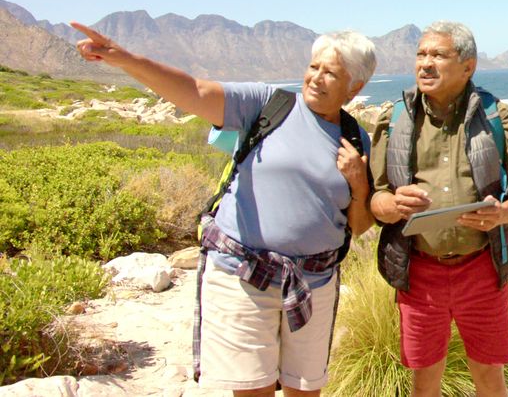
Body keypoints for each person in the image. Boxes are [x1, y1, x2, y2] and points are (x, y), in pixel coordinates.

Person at [71, 21, 376, 397]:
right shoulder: (268, 104)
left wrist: (360, 184)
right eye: (314, 66)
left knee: (305, 392)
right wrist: (127, 61)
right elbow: (195, 91)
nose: (316, 78)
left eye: (331, 73)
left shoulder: (355, 138)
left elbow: (360, 225)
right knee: (252, 390)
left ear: (356, 87)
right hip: (243, 277)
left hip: (314, 284)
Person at [369, 21, 508, 397]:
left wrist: (503, 213)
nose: (425, 64)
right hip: (419, 274)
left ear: (468, 66)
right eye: (421, 54)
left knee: (489, 376)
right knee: (424, 382)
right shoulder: (395, 119)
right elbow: (376, 200)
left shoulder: (499, 118)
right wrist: (394, 204)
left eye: (438, 55)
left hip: (481, 269)